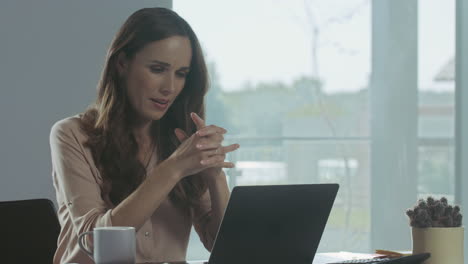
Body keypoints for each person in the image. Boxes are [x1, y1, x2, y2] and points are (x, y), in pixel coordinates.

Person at [49, 7, 239, 264]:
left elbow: (218, 243)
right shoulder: (71, 135)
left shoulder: (181, 141)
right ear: (122, 64)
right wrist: (173, 169)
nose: (169, 88)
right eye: (158, 69)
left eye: (181, 74)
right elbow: (96, 241)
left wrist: (215, 177)